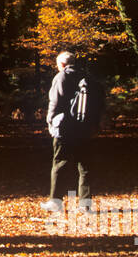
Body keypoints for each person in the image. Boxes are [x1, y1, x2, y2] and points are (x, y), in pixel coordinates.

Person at [40, 51, 103, 214]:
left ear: (61, 64)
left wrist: (50, 121)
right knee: (85, 166)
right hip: (85, 127)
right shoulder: (88, 78)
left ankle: (56, 202)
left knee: (60, 163)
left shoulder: (61, 77)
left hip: (65, 128)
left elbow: (55, 101)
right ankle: (86, 205)